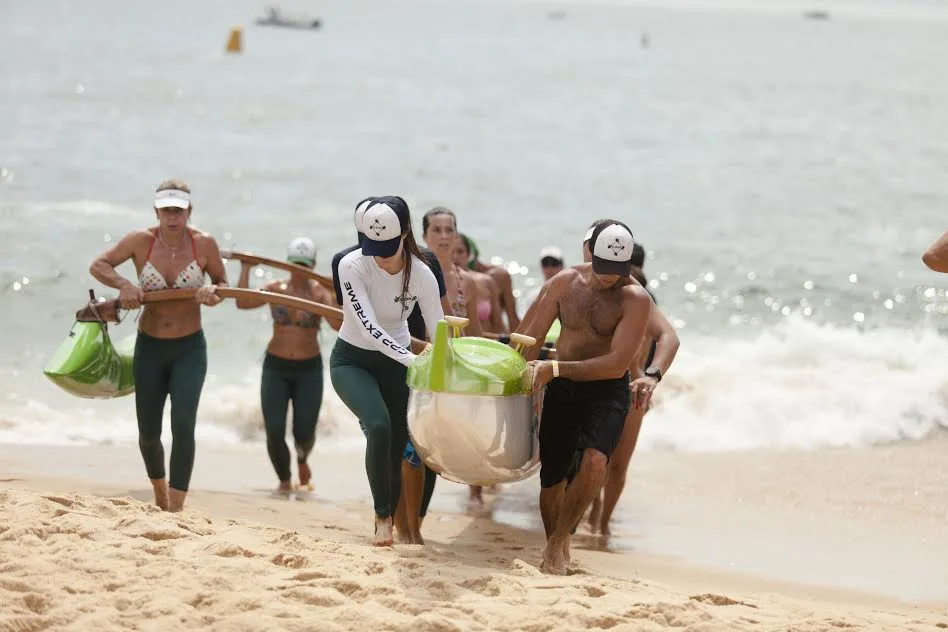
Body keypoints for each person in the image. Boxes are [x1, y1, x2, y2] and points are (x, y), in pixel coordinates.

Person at [518, 220, 653, 575]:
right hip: (562, 386)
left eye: (618, 271)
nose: (610, 277)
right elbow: (530, 338)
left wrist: (555, 369)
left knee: (595, 462)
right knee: (553, 478)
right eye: (604, 267)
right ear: (590, 252)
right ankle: (556, 544)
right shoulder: (564, 284)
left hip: (607, 388)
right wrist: (514, 376)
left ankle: (556, 544)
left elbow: (616, 363)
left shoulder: (635, 298)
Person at [89, 179, 228, 512]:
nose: (172, 217)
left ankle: (176, 508)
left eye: (178, 211)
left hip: (189, 349)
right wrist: (124, 284)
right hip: (150, 347)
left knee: (183, 425)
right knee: (148, 433)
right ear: (156, 211)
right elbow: (99, 265)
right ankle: (160, 495)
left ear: (189, 211)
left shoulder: (204, 245)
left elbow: (223, 282)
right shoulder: (140, 241)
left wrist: (214, 293)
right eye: (166, 210)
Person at [331, 198, 450, 545]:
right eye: (373, 247)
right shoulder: (351, 265)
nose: (380, 256)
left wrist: (442, 369)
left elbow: (437, 327)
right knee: (379, 425)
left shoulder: (423, 272)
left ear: (405, 235)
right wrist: (413, 359)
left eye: (387, 247)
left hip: (397, 365)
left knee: (401, 445)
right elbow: (367, 326)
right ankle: (382, 515)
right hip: (352, 360)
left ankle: (404, 528)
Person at [580, 228, 679, 540]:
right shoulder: (600, 299)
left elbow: (665, 340)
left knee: (618, 465)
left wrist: (650, 376)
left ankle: (603, 520)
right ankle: (594, 509)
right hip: (604, 386)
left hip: (633, 389)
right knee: (598, 458)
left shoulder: (644, 304)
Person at [234, 236, 341, 494]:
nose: (299, 270)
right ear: (287, 263)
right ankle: (284, 479)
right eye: (295, 264)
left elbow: (338, 325)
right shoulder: (276, 288)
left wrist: (338, 293)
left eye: (304, 264)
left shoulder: (320, 294)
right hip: (276, 367)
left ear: (313, 265)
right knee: (274, 429)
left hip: (308, 370)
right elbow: (243, 301)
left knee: (304, 431)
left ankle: (302, 459)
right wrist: (246, 268)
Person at [463, 234, 520, 331]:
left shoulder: (499, 276)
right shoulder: (449, 279)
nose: (455, 257)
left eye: (460, 252)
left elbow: (512, 319)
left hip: (493, 340)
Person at [454, 234, 505, 334]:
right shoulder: (439, 282)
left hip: (484, 345)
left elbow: (498, 323)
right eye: (451, 251)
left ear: (468, 255)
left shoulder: (486, 281)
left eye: (460, 251)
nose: (455, 256)